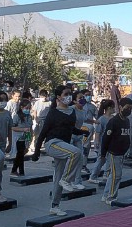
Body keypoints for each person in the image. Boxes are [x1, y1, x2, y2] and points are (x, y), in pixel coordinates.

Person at [31, 85, 89, 215]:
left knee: (58, 176)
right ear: (58, 97)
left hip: (64, 145)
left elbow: (70, 128)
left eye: (70, 94)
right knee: (76, 152)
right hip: (53, 144)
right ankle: (67, 179)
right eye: (65, 94)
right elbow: (43, 133)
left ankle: (55, 206)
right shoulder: (53, 112)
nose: (68, 96)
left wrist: (81, 132)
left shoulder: (71, 111)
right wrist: (37, 152)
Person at [100, 98, 132, 204]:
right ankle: (111, 197)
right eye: (127, 108)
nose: (129, 110)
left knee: (112, 175)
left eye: (131, 108)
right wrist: (103, 154)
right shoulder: (113, 121)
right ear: (120, 108)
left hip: (122, 153)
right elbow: (106, 138)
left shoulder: (127, 121)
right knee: (116, 175)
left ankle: (105, 195)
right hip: (114, 152)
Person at [89, 99, 115, 183]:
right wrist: (96, 142)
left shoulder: (113, 118)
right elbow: (98, 132)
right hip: (103, 143)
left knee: (108, 159)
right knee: (101, 159)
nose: (115, 109)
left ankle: (106, 175)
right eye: (113, 107)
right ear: (109, 108)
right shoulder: (102, 119)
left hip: (111, 143)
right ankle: (93, 176)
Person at [10, 99, 33, 177]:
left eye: (29, 108)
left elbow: (30, 128)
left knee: (21, 154)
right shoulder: (17, 116)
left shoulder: (29, 117)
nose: (28, 110)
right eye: (26, 108)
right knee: (20, 154)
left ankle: (14, 170)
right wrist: (22, 129)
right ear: (21, 107)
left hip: (26, 137)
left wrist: (30, 138)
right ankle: (20, 172)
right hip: (18, 138)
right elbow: (13, 127)